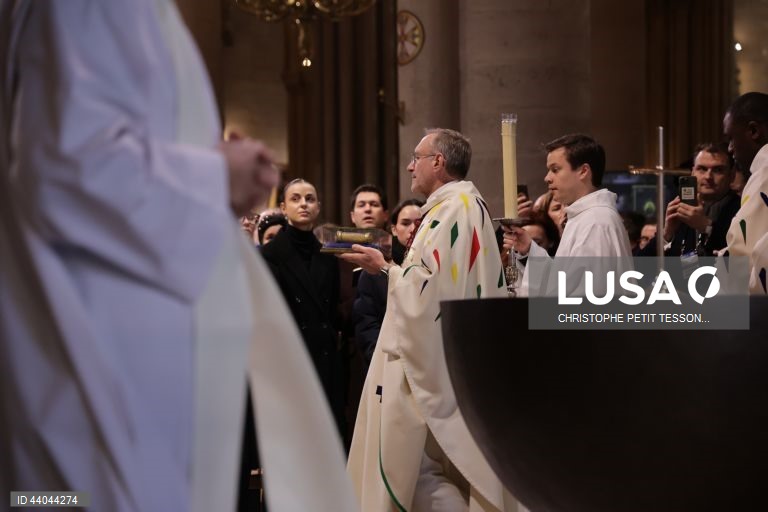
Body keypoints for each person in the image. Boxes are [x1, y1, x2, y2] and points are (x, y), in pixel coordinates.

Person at [0, 3, 356, 512]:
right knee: (60, 499)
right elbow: (64, 168)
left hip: (111, 349)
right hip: (95, 352)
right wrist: (215, 176)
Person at [342, 129, 522, 512]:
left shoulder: (455, 210)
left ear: (437, 162)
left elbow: (430, 290)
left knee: (411, 465)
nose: (410, 165)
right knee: (424, 466)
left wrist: (385, 268)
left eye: (416, 157)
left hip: (428, 360)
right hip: (441, 352)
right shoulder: (457, 208)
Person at [260, 179, 347, 436]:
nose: (304, 204)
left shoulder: (326, 254)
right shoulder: (270, 254)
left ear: (318, 207)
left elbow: (331, 310)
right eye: (296, 199)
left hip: (325, 359)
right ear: (283, 208)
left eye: (309, 198)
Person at [503, 134, 632, 295]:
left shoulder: (596, 222)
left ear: (583, 171)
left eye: (555, 169)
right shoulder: (583, 216)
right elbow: (566, 281)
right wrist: (530, 250)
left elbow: (587, 296)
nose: (547, 178)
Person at [353, 198, 423, 366]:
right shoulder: (375, 268)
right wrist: (381, 360)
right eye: (405, 223)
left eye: (419, 223)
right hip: (388, 360)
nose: (413, 229)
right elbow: (367, 323)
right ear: (394, 229)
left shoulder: (435, 264)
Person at [722, 92, 768, 294]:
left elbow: (746, 253)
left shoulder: (765, 173)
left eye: (731, 137)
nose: (730, 149)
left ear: (753, 131)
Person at [659, 143, 739, 257]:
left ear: (732, 175)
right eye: (702, 169)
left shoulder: (742, 209)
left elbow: (742, 261)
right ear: (693, 172)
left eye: (718, 170)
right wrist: (666, 234)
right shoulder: (680, 209)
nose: (708, 176)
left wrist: (706, 227)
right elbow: (640, 265)